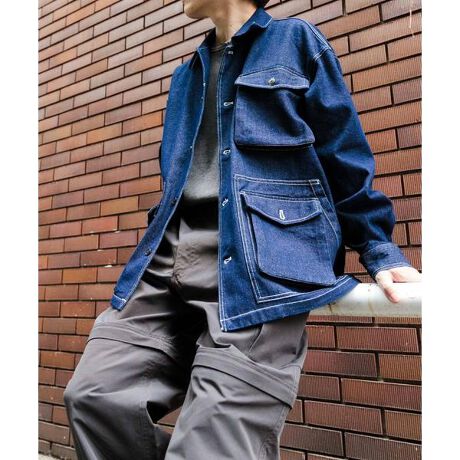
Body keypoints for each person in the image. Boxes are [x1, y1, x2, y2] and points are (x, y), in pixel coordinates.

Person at [63, 1, 422, 459]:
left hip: (262, 260)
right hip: (168, 255)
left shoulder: (295, 42)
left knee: (211, 446)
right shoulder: (186, 74)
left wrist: (379, 248)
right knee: (95, 397)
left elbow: (342, 153)